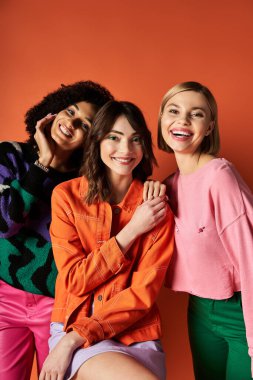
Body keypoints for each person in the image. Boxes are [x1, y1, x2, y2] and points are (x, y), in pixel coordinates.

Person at [39, 100, 174, 380]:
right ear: (97, 140)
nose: (125, 150)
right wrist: (132, 230)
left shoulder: (157, 206)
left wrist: (74, 339)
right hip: (75, 326)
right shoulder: (66, 197)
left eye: (135, 140)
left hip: (136, 334)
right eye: (114, 137)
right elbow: (75, 280)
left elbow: (141, 296)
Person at [0, 80, 114, 380]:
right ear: (51, 111)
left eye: (85, 125)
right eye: (69, 111)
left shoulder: (88, 186)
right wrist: (43, 164)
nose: (71, 123)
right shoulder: (10, 156)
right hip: (4, 299)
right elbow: (4, 223)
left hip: (59, 307)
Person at [143, 81, 253, 379]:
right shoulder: (169, 186)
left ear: (209, 127)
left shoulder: (220, 177)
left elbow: (251, 260)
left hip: (241, 312)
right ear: (162, 120)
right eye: (174, 111)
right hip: (200, 311)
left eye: (197, 114)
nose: (183, 120)